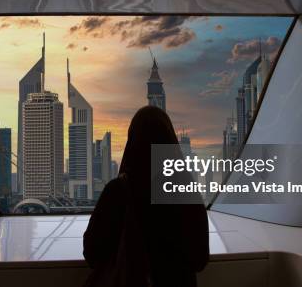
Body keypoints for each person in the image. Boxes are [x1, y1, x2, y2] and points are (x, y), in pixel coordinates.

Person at [83, 106, 209, 287]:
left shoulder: (117, 192)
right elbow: (200, 260)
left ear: (132, 142)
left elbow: (92, 254)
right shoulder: (187, 192)